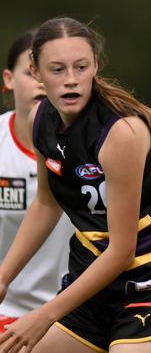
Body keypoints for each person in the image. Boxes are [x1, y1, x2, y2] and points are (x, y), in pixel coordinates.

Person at [0, 17, 151, 353]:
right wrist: (3, 277)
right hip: (90, 291)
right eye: (57, 69)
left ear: (96, 66)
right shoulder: (40, 119)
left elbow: (121, 251)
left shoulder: (121, 133)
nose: (71, 81)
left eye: (81, 67)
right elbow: (47, 203)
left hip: (150, 290)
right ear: (35, 71)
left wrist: (44, 315)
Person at [0, 29, 73, 333]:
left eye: (52, 71)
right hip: (6, 310)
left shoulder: (104, 143)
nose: (42, 81)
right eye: (32, 71)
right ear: (8, 79)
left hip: (76, 313)